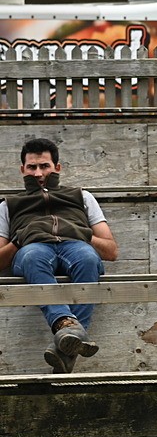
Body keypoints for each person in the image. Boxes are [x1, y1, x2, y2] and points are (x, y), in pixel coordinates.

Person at [0, 138, 119, 373]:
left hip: (75, 247)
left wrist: (80, 233)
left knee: (87, 258)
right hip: (33, 250)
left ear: (57, 167)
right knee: (33, 256)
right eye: (32, 167)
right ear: (22, 169)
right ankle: (68, 330)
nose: (38, 173)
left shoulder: (82, 197)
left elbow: (111, 251)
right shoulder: (8, 205)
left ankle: (64, 345)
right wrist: (19, 239)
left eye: (44, 166)